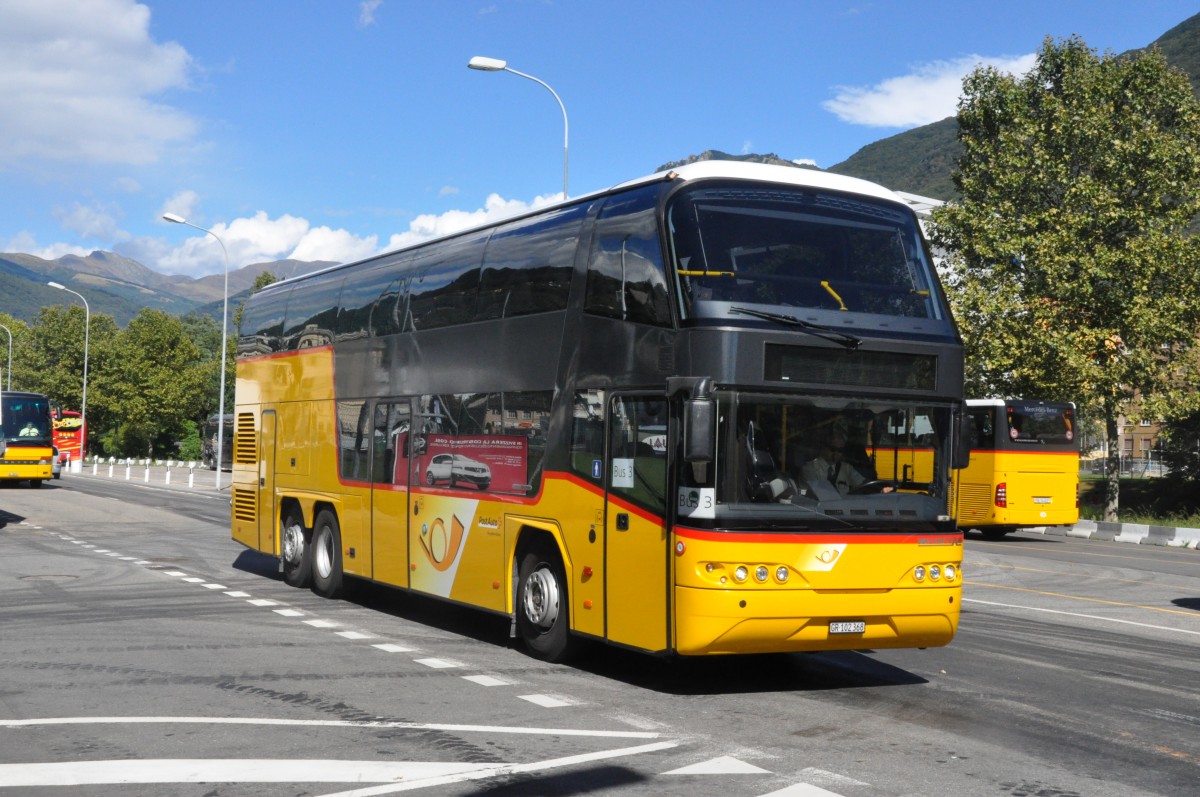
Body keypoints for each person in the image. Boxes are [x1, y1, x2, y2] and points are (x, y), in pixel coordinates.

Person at [802, 418, 890, 495]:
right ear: (823, 448)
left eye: (840, 450)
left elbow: (862, 483)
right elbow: (814, 495)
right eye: (833, 449)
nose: (836, 453)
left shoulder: (846, 468)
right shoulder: (810, 468)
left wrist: (881, 489)